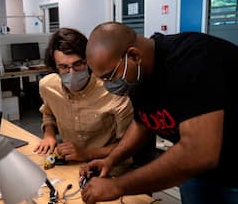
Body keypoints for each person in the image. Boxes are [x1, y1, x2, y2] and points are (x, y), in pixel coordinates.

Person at [80, 21, 238, 204]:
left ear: (134, 55)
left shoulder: (194, 60)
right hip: (197, 173)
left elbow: (199, 153)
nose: (108, 85)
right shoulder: (138, 73)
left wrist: (118, 186)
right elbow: (143, 122)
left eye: (109, 76)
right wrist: (111, 159)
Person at [33, 28, 134, 176]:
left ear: (89, 61)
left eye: (78, 64)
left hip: (110, 169)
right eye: (63, 67)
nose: (72, 72)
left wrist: (87, 153)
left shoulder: (113, 92)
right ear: (55, 67)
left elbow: (129, 145)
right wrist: (49, 134)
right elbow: (49, 113)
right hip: (71, 167)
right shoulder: (48, 86)